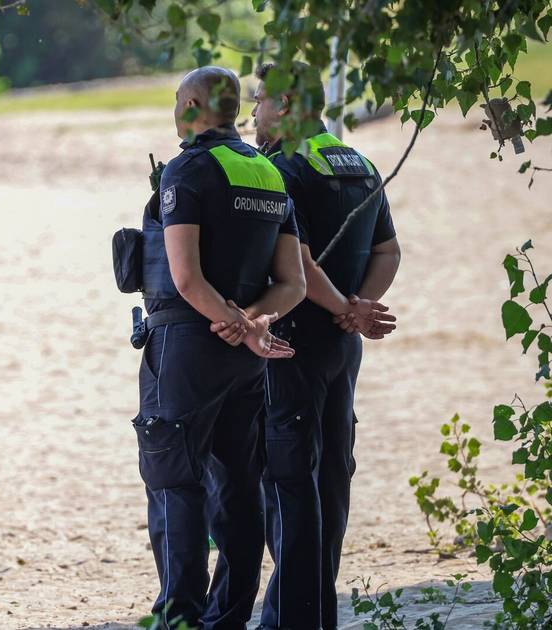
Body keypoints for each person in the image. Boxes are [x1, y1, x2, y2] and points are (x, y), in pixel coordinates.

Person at [135, 66, 307, 629]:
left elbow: (185, 277)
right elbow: (293, 284)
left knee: (174, 479)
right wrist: (250, 324)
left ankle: (179, 615)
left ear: (189, 105)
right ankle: (228, 616)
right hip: (243, 355)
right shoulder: (267, 174)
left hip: (188, 345)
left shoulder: (186, 171)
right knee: (237, 484)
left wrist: (228, 319)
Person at [250, 62, 402, 630]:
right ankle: (318, 611)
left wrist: (342, 307)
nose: (253, 114)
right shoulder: (359, 163)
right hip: (343, 348)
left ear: (286, 105)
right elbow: (389, 253)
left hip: (293, 342)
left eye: (261, 101)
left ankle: (291, 617)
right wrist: (360, 308)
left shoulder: (281, 168)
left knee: (290, 480)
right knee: (333, 475)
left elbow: (300, 263)